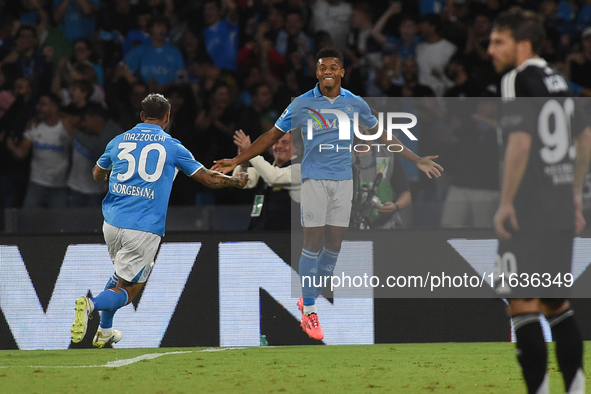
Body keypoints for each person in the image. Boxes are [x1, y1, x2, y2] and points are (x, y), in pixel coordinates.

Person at [212, 46, 443, 341]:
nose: (328, 72)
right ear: (317, 72)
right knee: (313, 242)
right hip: (313, 180)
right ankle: (309, 310)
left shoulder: (355, 104)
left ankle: (306, 296)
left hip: (344, 182)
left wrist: (416, 159)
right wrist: (237, 160)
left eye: (334, 67)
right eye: (323, 67)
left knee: (333, 246)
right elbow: (270, 135)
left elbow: (383, 135)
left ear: (342, 72)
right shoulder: (302, 104)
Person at [70, 93, 248, 348]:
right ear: (167, 117)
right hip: (142, 227)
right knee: (129, 291)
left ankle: (105, 331)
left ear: (142, 116)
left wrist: (113, 174)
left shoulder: (118, 141)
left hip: (111, 222)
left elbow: (98, 174)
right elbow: (209, 179)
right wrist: (236, 181)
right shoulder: (172, 146)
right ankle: (91, 304)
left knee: (121, 275)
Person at [488, 10, 591, 394]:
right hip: (561, 211)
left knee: (522, 305)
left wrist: (506, 202)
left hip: (528, 210)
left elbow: (520, 141)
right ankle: (577, 390)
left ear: (523, 44)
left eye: (499, 41)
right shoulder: (559, 82)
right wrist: (575, 198)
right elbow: (585, 140)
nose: (490, 49)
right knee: (556, 304)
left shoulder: (517, 79)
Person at [6, 93, 72, 208]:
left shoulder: (66, 126)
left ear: (54, 106)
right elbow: (21, 153)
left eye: (43, 104)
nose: (38, 107)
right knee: (28, 219)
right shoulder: (34, 127)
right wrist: (12, 148)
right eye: (39, 104)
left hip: (59, 185)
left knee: (61, 222)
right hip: (36, 183)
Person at [232, 129, 301, 231]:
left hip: (287, 240)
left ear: (296, 149)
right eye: (276, 142)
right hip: (259, 236)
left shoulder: (301, 169)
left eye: (285, 143)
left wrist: (251, 151)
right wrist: (243, 160)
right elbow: (237, 182)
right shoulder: (263, 169)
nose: (279, 146)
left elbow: (273, 177)